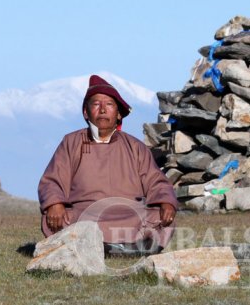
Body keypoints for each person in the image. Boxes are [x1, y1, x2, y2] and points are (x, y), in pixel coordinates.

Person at [38, 74, 178, 254]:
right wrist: (54, 204)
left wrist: (166, 202)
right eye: (96, 104)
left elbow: (156, 182)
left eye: (109, 105)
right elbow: (52, 180)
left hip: (129, 215)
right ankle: (118, 248)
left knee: (162, 217)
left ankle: (115, 248)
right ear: (86, 112)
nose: (103, 109)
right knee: (54, 217)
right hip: (84, 215)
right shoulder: (71, 142)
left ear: (119, 113)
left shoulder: (135, 146)